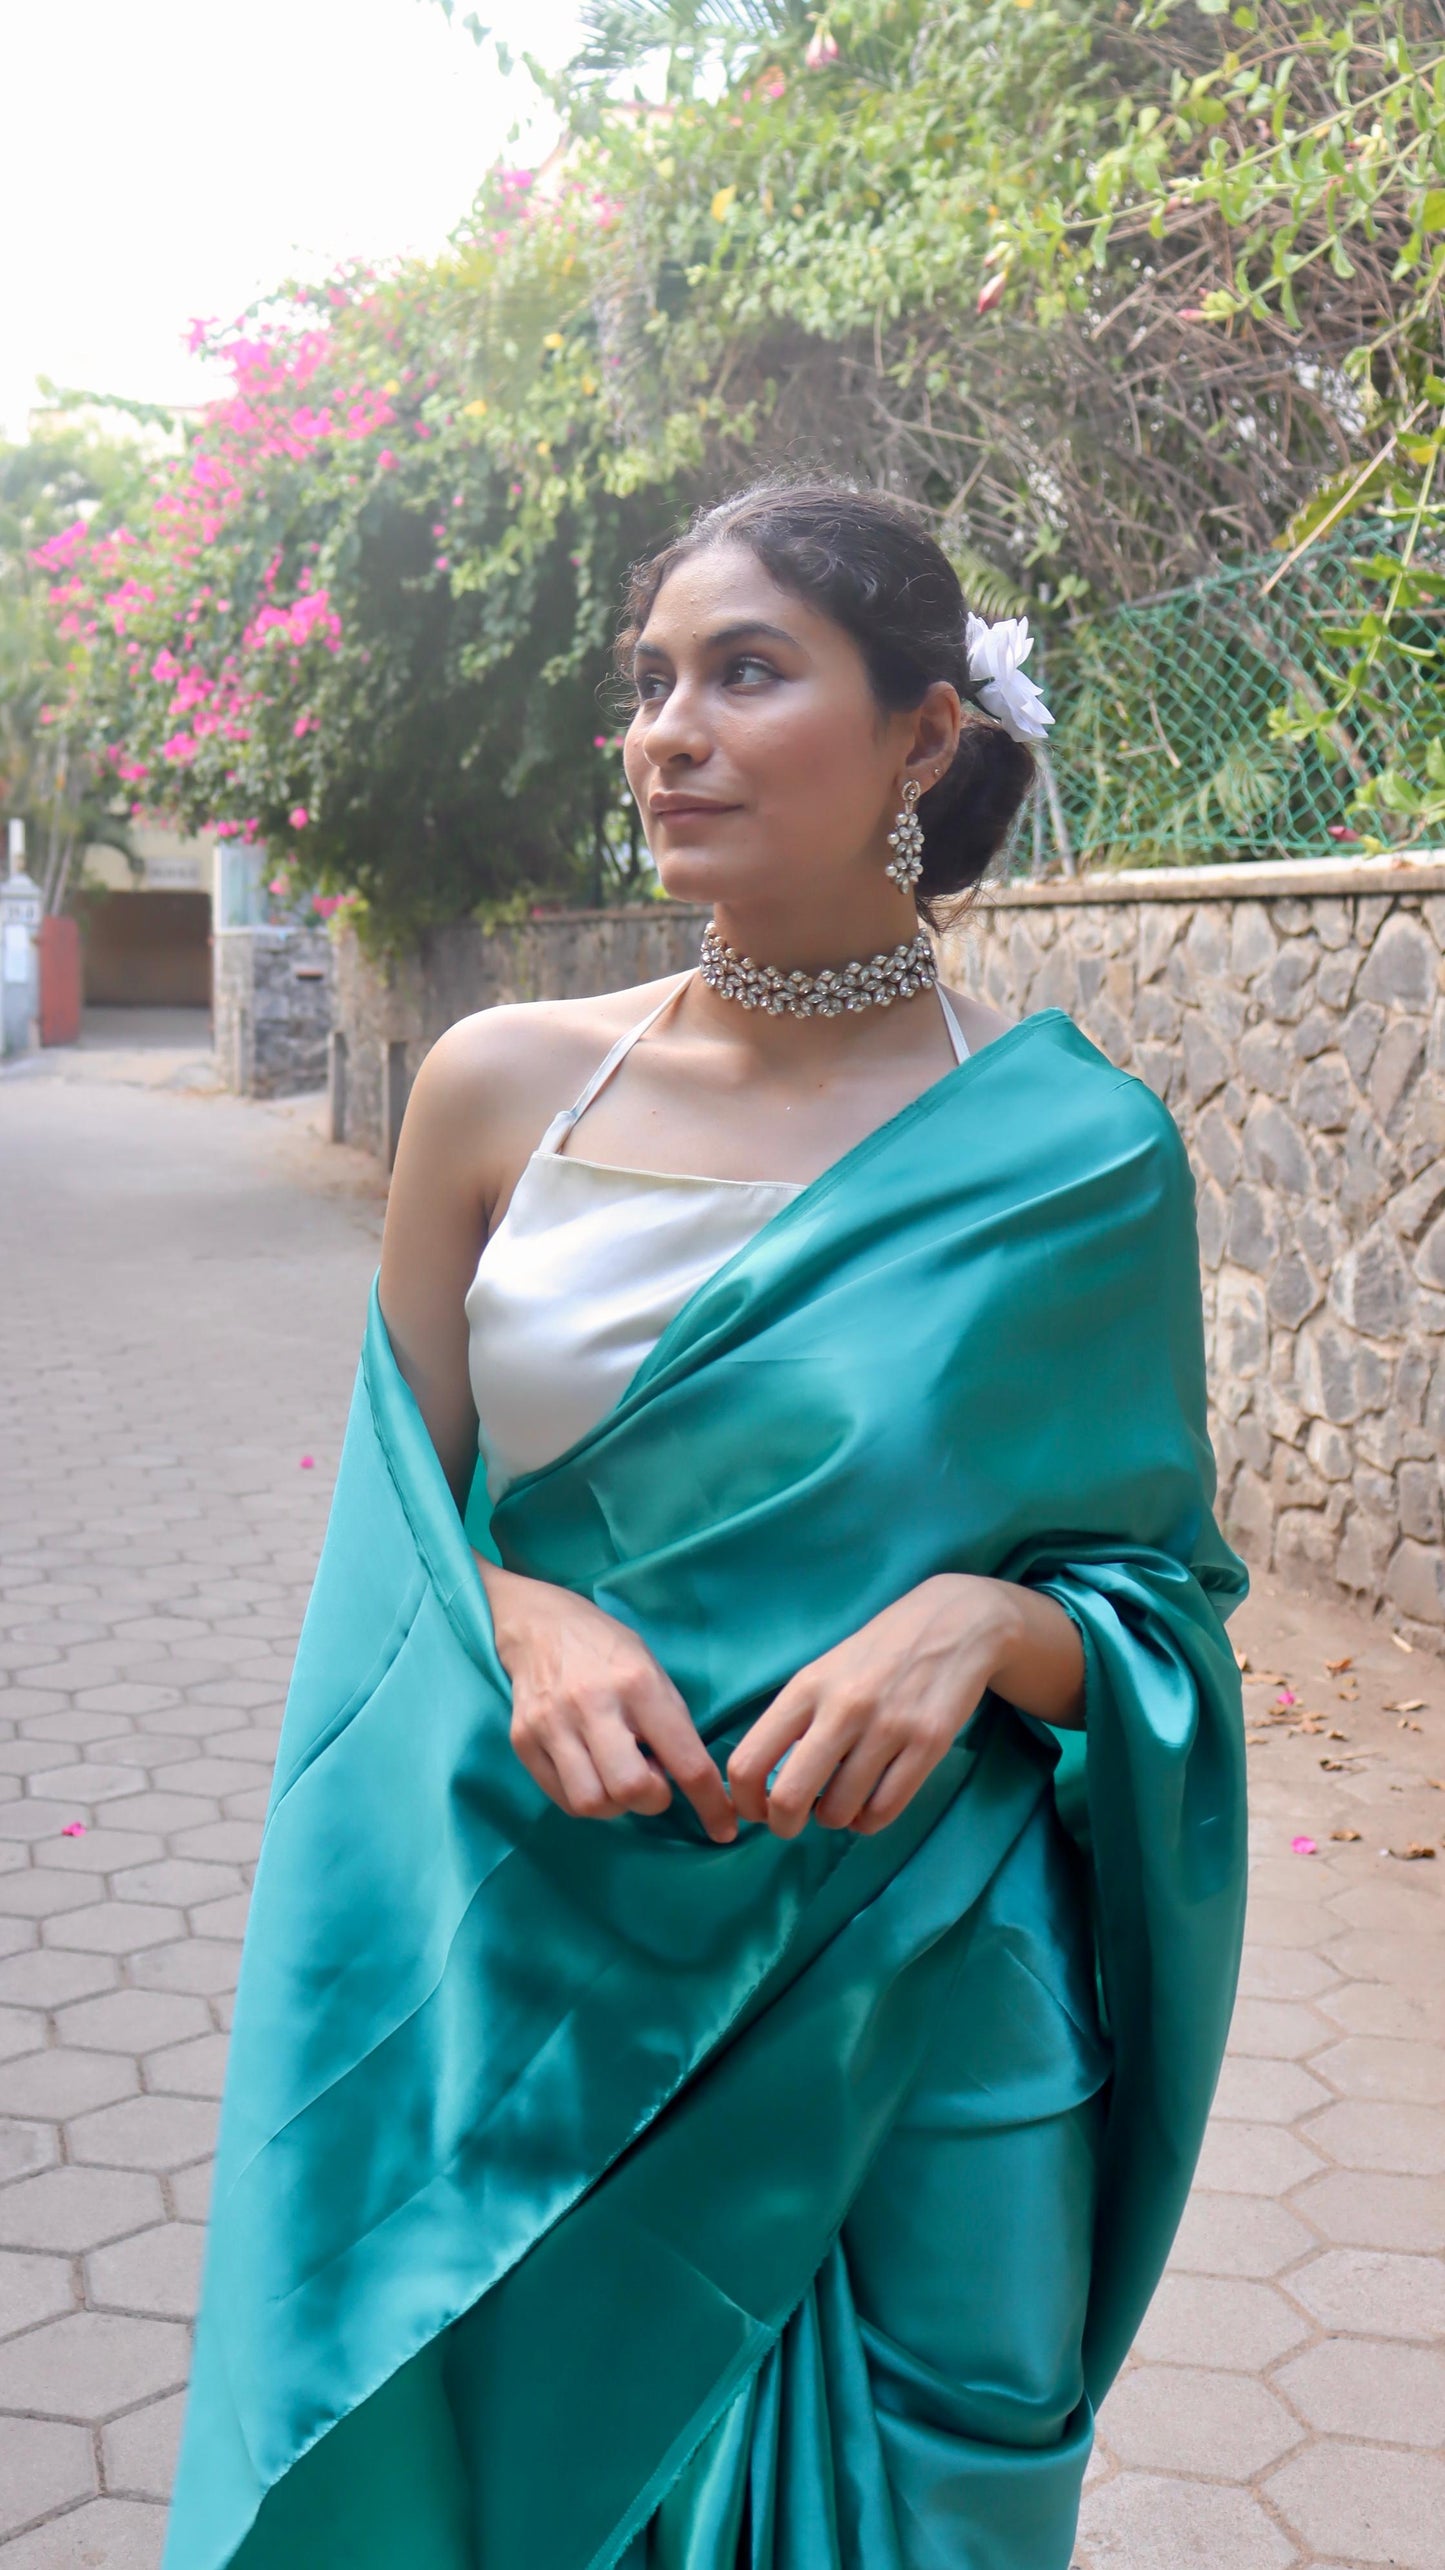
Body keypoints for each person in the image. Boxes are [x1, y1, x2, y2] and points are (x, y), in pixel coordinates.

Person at [163, 481, 1247, 2570]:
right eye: (653, 680)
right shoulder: (500, 1092)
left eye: (748, 672)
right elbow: (399, 1529)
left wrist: (981, 1626)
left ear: (924, 737)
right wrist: (525, 1620)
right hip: (537, 1968)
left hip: (932, 1975)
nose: (671, 728)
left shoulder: (1077, 1158)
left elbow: (1159, 1603)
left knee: (939, 2503)